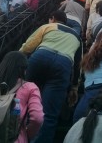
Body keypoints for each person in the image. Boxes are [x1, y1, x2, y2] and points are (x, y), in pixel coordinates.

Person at [19, 10, 82, 143]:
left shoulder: (47, 27)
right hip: (63, 64)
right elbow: (78, 65)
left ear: (52, 18)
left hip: (40, 58)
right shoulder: (77, 36)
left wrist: (17, 58)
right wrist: (74, 87)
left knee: (24, 99)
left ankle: (19, 137)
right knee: (49, 113)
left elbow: (28, 47)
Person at [0, 51, 44, 143]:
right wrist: (26, 134)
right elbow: (37, 118)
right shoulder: (30, 87)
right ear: (23, 69)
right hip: (14, 138)